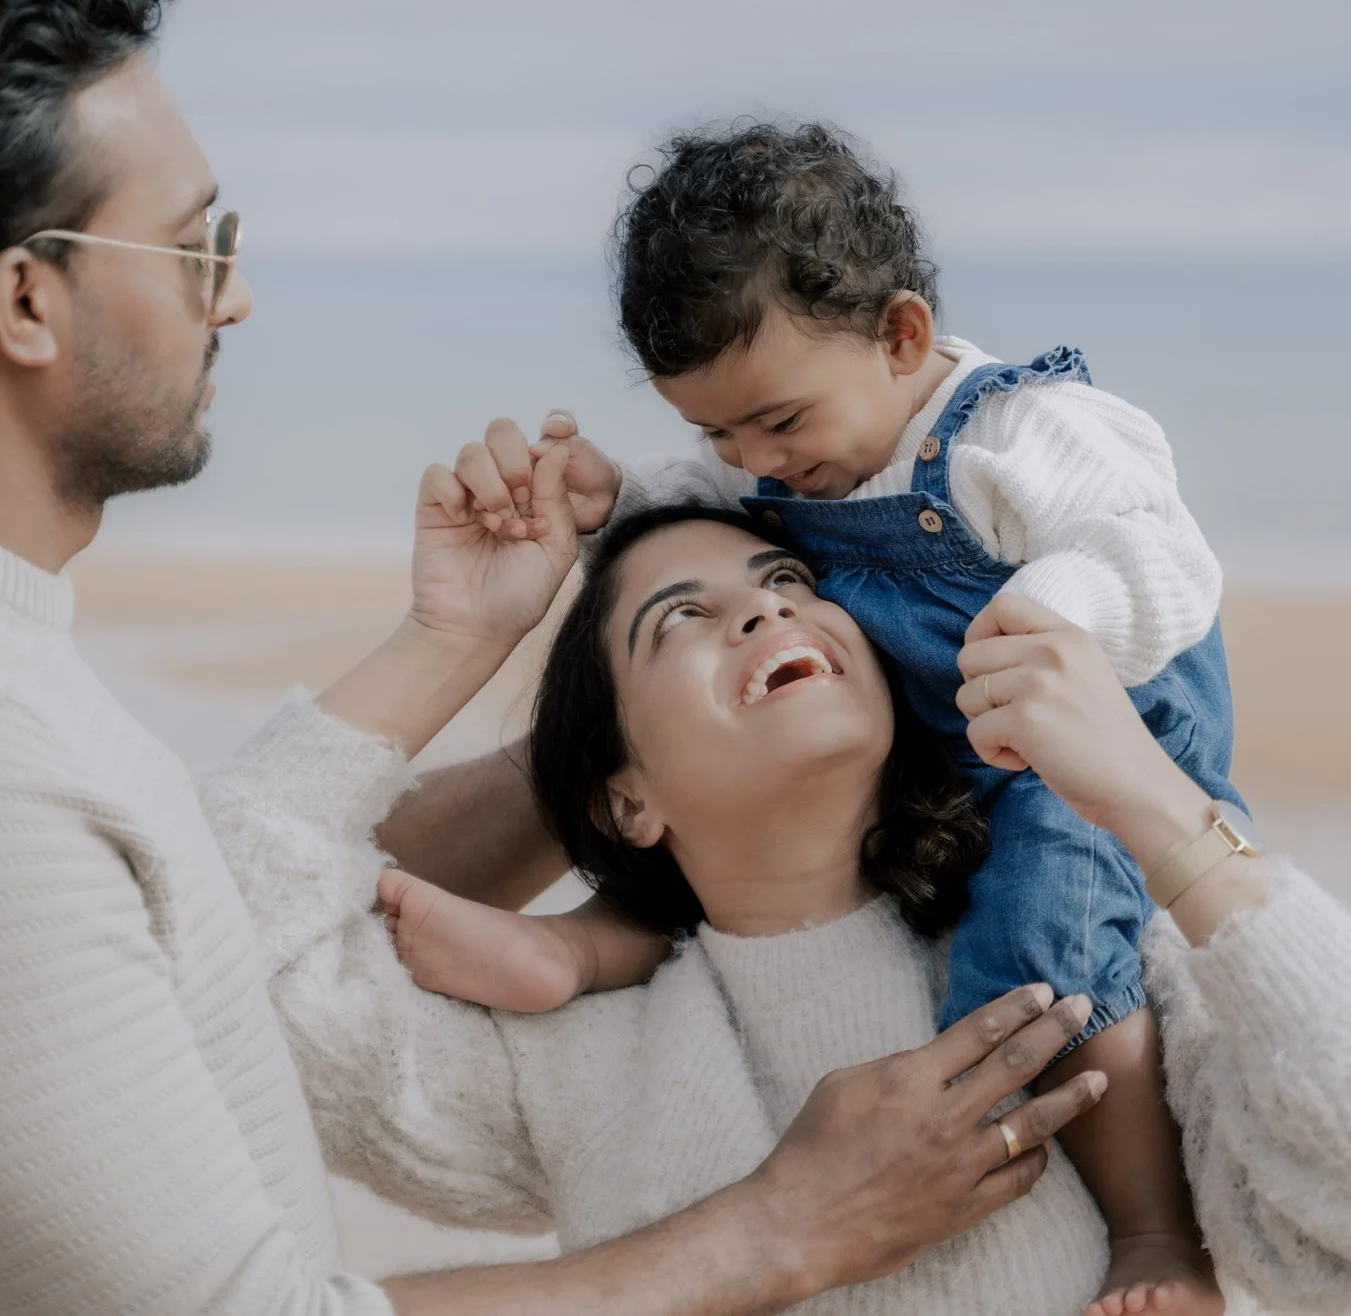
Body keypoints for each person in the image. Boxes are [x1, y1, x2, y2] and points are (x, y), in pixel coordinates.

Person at [0, 0, 1113, 1315]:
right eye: (192, 244)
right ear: (28, 301)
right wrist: (786, 1224)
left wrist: (475, 644)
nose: (235, 296)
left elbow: (187, 943)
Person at [208, 479, 1351, 1315]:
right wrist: (455, 634)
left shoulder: (1088, 966)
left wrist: (1154, 804)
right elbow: (208, 935)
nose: (762, 615)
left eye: (789, 582)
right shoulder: (575, 1058)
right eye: (676, 619)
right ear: (627, 797)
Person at [374, 122, 1236, 1313]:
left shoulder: (1025, 434)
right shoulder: (796, 453)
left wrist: (1047, 621)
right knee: (760, 867)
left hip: (1077, 750)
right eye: (716, 431)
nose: (756, 462)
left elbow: (1159, 552)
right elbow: (711, 509)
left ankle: (1152, 1234)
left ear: (901, 336)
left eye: (775, 424)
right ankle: (575, 947)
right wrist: (617, 496)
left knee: (1039, 950)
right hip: (954, 735)